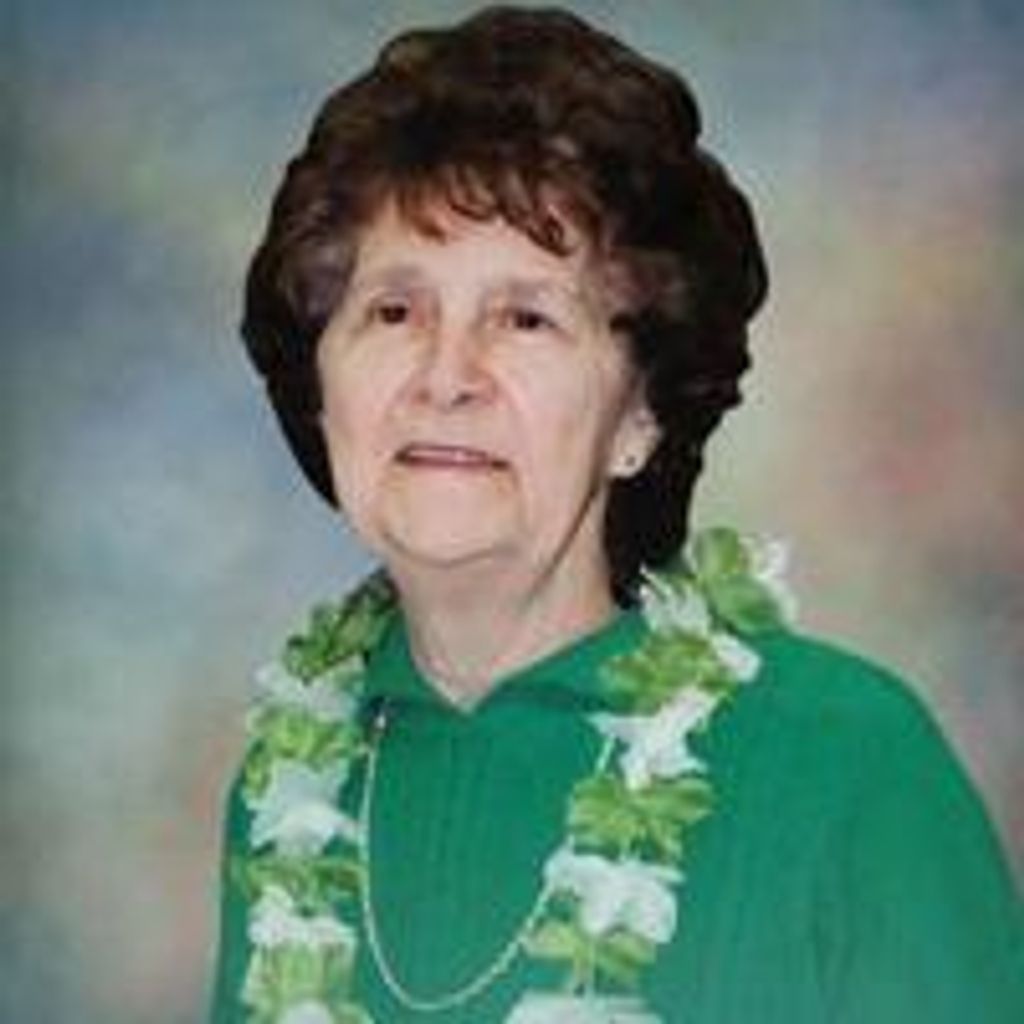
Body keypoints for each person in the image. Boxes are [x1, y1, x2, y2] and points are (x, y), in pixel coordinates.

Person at [210, 7, 1023, 1022]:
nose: (445, 377)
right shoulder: (293, 788)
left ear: (639, 415)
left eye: (525, 318)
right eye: (394, 311)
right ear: (321, 385)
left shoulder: (845, 759)